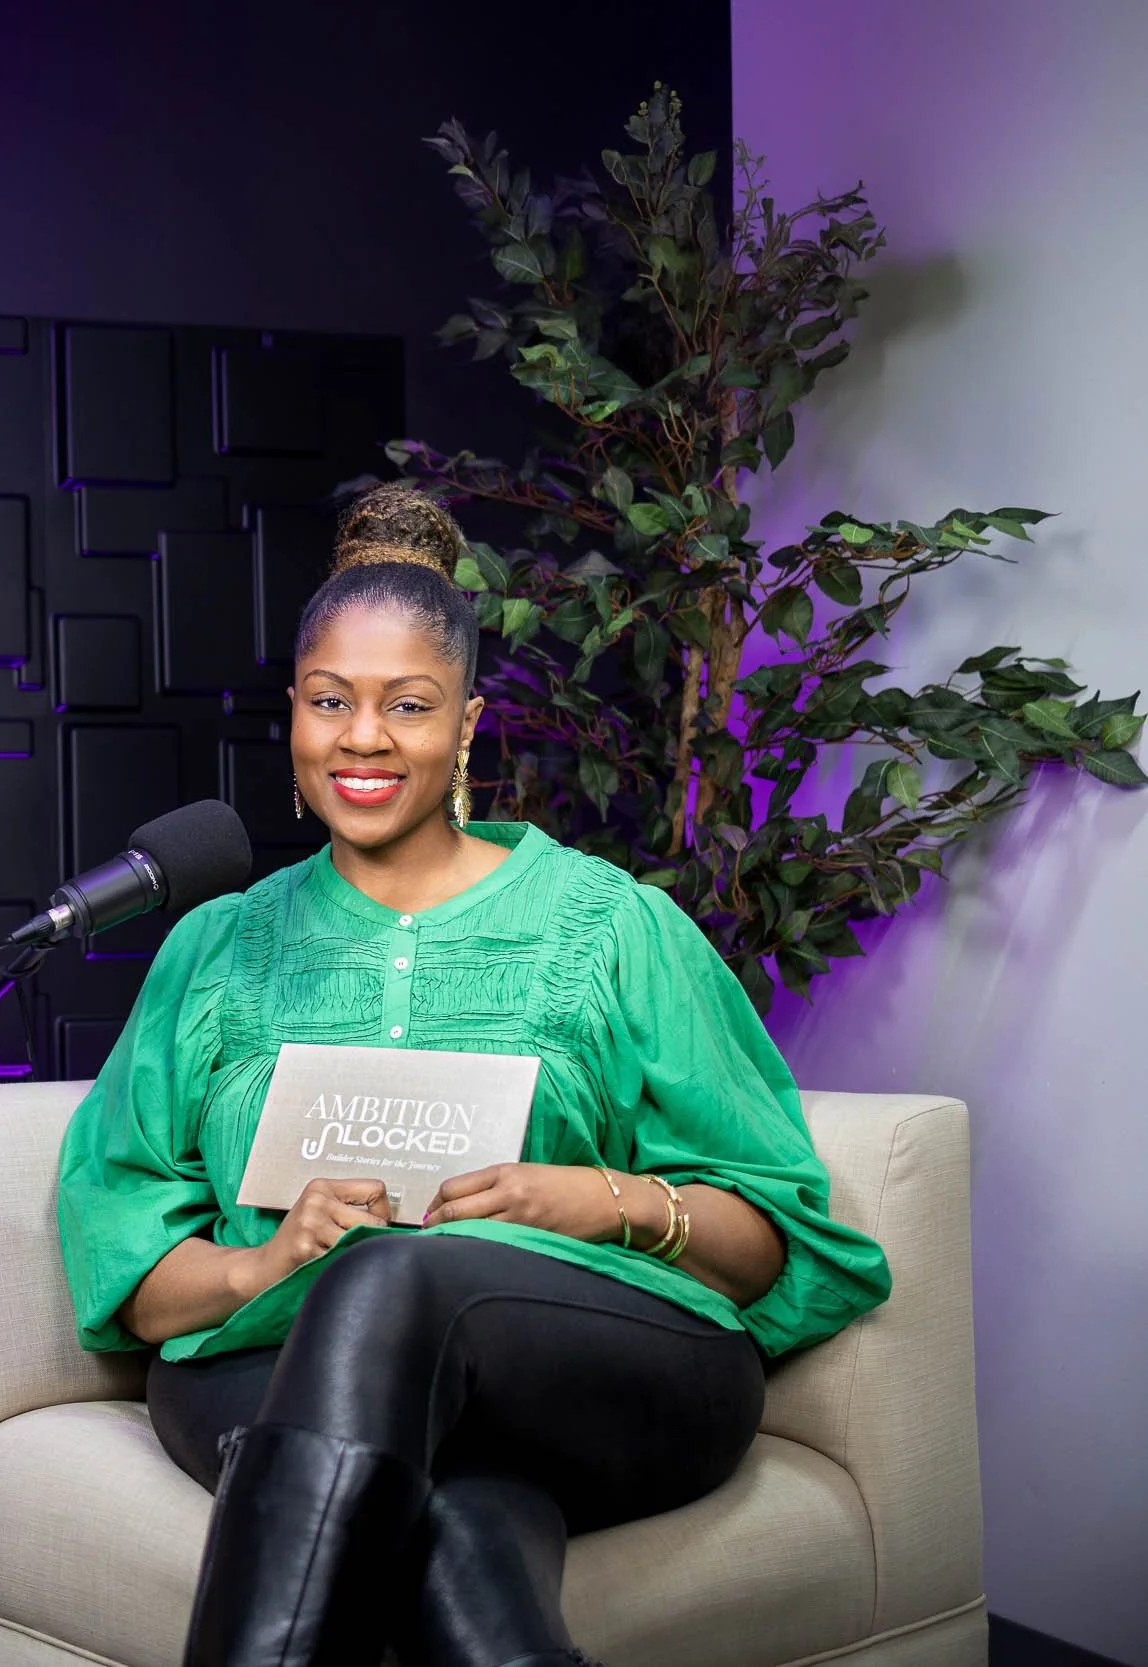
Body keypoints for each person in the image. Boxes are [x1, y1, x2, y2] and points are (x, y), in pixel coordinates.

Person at [54, 486, 891, 1667]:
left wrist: (590, 1200)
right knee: (450, 1514)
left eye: (408, 705)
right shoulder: (217, 945)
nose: (362, 737)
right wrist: (266, 1254)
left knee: (391, 1277)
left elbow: (769, 1243)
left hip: (602, 1365)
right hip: (267, 1359)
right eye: (330, 701)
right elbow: (133, 1275)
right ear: (290, 714)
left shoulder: (609, 926)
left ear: (466, 725)